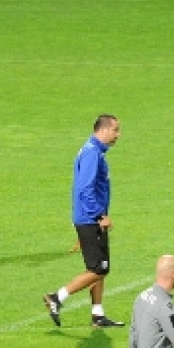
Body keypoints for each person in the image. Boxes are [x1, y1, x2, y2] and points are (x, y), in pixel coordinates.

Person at [43, 115, 125, 329]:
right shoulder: (92, 153)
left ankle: (98, 315)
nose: (118, 134)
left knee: (99, 267)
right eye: (115, 130)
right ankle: (56, 297)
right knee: (98, 269)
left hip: (88, 218)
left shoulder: (92, 150)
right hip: (91, 219)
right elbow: (85, 189)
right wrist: (99, 216)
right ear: (103, 129)